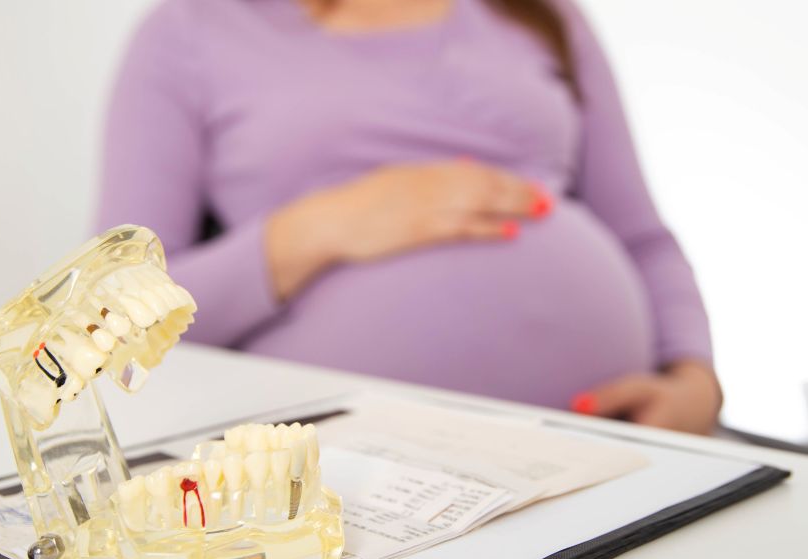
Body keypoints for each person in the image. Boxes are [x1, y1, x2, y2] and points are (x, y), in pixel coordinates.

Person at [97, 0, 722, 434]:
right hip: (359, 488)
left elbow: (642, 237)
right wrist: (318, 228)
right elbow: (110, 317)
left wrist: (697, 383)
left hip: (608, 448)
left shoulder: (537, 15)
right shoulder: (189, 30)